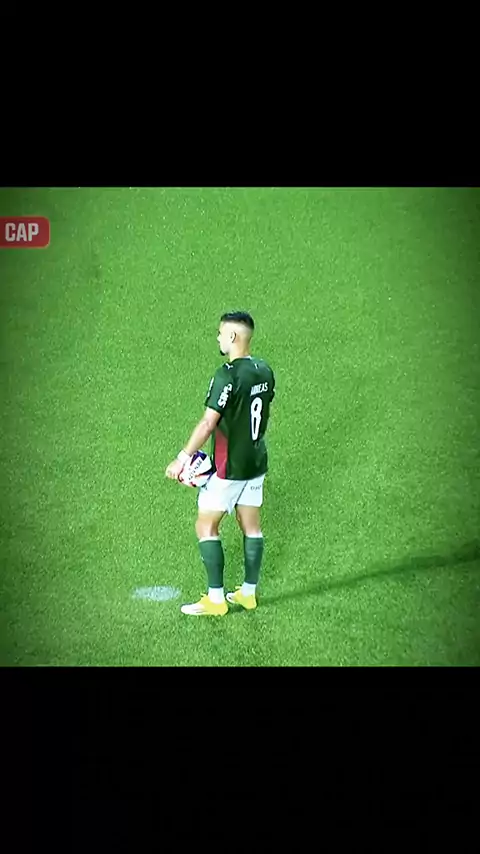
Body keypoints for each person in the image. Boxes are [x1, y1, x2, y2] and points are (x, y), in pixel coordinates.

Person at [165, 311, 276, 616]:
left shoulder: (226, 375)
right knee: (251, 526)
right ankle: (248, 594)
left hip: (229, 468)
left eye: (220, 333)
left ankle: (216, 599)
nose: (218, 338)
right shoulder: (264, 371)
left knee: (206, 525)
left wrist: (182, 458)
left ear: (233, 336)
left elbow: (207, 423)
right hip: (256, 462)